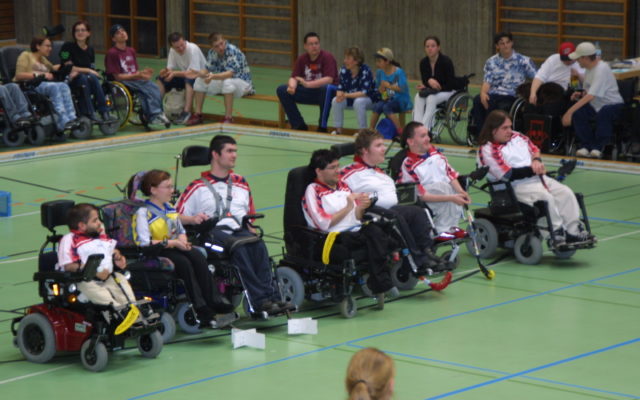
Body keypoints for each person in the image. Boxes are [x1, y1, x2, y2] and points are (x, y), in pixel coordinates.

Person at [176, 135, 291, 314]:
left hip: (238, 230)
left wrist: (251, 230)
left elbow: (249, 215)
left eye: (235, 151)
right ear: (215, 154)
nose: (234, 155)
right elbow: (175, 215)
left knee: (257, 243)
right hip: (210, 234)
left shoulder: (241, 182)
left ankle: (274, 298)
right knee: (240, 246)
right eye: (230, 151)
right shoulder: (197, 187)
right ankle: (259, 301)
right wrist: (192, 220)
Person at [134, 169, 237, 328]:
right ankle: (201, 309)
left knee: (197, 256)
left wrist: (183, 240)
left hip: (173, 245)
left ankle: (214, 300)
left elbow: (180, 230)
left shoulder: (169, 208)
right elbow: (144, 243)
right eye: (167, 187)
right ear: (153, 190)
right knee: (184, 263)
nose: (172, 190)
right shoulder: (143, 212)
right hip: (155, 250)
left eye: (171, 186)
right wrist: (174, 243)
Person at [478, 110, 595, 244]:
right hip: (514, 186)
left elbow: (535, 150)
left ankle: (573, 232)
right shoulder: (487, 149)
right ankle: (555, 234)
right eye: (505, 128)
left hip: (538, 179)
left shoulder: (517, 137)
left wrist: (537, 161)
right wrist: (533, 170)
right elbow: (507, 175)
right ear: (493, 130)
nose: (510, 130)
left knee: (566, 193)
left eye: (510, 126)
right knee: (546, 198)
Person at [340, 129, 444, 271]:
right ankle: (417, 262)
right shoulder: (350, 172)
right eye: (378, 146)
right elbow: (340, 193)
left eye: (383, 145)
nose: (384, 149)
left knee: (417, 212)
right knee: (396, 217)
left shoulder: (377, 171)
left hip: (390, 209)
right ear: (364, 150)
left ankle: (427, 252)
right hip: (369, 213)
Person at [303, 148, 396, 298]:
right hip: (333, 236)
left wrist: (361, 207)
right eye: (332, 168)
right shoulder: (313, 191)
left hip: (355, 229)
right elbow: (324, 223)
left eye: (338, 166)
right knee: (369, 239)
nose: (337, 171)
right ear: (319, 171)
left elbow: (357, 217)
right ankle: (380, 283)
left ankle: (381, 283)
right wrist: (347, 207)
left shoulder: (343, 186)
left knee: (379, 231)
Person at [56, 203, 136, 308]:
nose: (99, 223)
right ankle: (119, 313)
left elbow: (111, 252)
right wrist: (95, 272)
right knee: (109, 301)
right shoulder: (69, 239)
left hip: (107, 277)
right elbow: (69, 266)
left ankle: (133, 310)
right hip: (83, 280)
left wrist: (118, 257)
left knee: (126, 292)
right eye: (95, 220)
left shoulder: (99, 236)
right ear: (82, 225)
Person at [397, 121, 470, 235]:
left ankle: (450, 228)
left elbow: (449, 173)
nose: (428, 139)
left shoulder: (435, 153)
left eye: (427, 135)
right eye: (422, 136)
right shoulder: (409, 164)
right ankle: (441, 231)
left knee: (456, 188)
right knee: (444, 187)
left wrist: (461, 192)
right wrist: (451, 197)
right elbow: (422, 196)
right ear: (411, 141)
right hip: (421, 201)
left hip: (444, 195)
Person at [561, 42, 624, 159]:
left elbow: (591, 96)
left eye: (578, 59)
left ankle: (599, 147)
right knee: (579, 113)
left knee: (604, 113)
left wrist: (568, 112)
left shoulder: (601, 69)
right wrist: (580, 93)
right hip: (596, 105)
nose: (577, 62)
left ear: (585, 58)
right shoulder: (589, 69)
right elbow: (589, 91)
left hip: (613, 105)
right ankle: (586, 145)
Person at [471, 32, 536, 136]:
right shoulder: (491, 62)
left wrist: (530, 92)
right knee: (478, 100)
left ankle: (490, 134)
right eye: (502, 43)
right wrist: (483, 93)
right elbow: (487, 80)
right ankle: (480, 134)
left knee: (492, 103)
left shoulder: (524, 61)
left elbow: (536, 78)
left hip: (512, 95)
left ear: (512, 43)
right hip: (494, 93)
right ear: (497, 46)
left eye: (508, 42)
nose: (505, 45)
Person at [105, 24, 170, 126]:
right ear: (113, 39)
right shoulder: (112, 53)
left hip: (134, 79)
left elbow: (134, 71)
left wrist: (143, 73)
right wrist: (138, 76)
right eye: (118, 33)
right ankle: (154, 115)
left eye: (123, 31)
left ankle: (155, 113)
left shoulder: (131, 50)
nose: (122, 33)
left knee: (154, 87)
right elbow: (117, 77)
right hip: (122, 81)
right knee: (148, 88)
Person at [14, 36, 80, 132]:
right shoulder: (25, 55)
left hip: (44, 85)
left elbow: (53, 68)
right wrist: (41, 74)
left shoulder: (43, 59)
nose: (50, 48)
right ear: (38, 46)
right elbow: (18, 75)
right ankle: (62, 120)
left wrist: (66, 65)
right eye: (47, 46)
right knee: (54, 87)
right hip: (30, 85)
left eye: (51, 46)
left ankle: (71, 118)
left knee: (63, 85)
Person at [276, 32, 338, 132]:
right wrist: (292, 86)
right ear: (305, 46)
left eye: (316, 43)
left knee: (325, 88)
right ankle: (298, 124)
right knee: (282, 90)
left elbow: (329, 79)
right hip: (309, 92)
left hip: (324, 94)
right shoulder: (302, 59)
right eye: (311, 44)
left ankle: (322, 127)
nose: (314, 46)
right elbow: (294, 77)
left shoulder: (327, 57)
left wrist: (308, 84)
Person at [188, 33, 251, 126]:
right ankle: (198, 115)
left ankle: (228, 118)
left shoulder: (233, 51)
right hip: (223, 81)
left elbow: (229, 74)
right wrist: (199, 73)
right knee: (199, 80)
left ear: (225, 41)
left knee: (227, 82)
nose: (221, 47)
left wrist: (212, 76)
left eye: (221, 43)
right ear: (212, 47)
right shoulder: (212, 53)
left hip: (243, 84)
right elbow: (207, 69)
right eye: (216, 46)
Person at [59, 20, 114, 123]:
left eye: (83, 30)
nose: (80, 32)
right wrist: (86, 70)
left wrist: (87, 71)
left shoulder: (90, 49)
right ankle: (89, 112)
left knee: (93, 78)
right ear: (74, 33)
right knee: (85, 77)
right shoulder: (67, 47)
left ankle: (104, 111)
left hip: (87, 78)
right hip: (69, 79)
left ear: (88, 33)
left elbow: (92, 68)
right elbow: (68, 66)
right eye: (77, 30)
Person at [157, 32, 207, 125]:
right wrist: (165, 72)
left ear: (184, 41)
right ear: (172, 47)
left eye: (182, 45)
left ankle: (186, 112)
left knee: (189, 79)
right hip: (186, 75)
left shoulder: (193, 48)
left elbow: (193, 72)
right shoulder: (172, 51)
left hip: (201, 78)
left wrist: (174, 73)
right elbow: (170, 68)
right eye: (177, 47)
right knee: (160, 79)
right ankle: (157, 110)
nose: (180, 48)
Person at [413, 36, 457, 130]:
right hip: (433, 91)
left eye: (433, 46)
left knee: (431, 98)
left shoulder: (446, 61)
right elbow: (425, 80)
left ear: (438, 47)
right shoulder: (423, 62)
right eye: (427, 46)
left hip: (448, 91)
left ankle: (426, 129)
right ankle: (416, 128)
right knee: (418, 97)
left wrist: (438, 87)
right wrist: (429, 81)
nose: (430, 48)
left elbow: (451, 84)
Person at [331, 47, 378, 135]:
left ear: (357, 61)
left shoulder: (365, 70)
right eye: (345, 58)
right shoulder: (343, 70)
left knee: (359, 101)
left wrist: (346, 95)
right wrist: (339, 95)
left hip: (370, 99)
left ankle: (362, 131)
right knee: (335, 101)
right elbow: (340, 88)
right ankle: (338, 130)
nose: (345, 61)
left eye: (348, 59)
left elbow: (364, 93)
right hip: (351, 99)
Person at [369, 48, 412, 137]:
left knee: (386, 107)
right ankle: (371, 130)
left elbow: (402, 89)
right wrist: (381, 89)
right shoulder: (380, 72)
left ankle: (400, 130)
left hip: (401, 98)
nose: (377, 64)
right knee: (378, 106)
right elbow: (380, 91)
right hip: (388, 97)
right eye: (376, 61)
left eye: (379, 61)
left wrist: (389, 86)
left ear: (387, 61)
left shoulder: (398, 72)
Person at [528, 42, 584, 106]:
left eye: (569, 59)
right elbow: (540, 76)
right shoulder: (553, 59)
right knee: (532, 103)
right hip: (548, 90)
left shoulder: (580, 63)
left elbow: (583, 84)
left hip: (566, 93)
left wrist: (578, 76)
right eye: (564, 59)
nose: (567, 61)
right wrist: (533, 93)